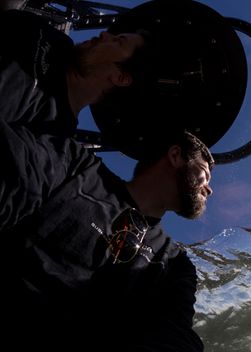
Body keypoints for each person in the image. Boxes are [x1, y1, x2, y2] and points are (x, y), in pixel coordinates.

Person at [0, 119, 213, 351]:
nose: (209, 189)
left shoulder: (175, 265)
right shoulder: (76, 167)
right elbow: (15, 167)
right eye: (204, 173)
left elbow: (175, 335)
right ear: (175, 155)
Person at [0, 5, 149, 137]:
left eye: (118, 41)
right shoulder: (58, 40)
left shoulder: (52, 134)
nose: (104, 34)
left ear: (121, 78)